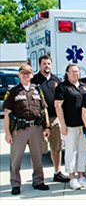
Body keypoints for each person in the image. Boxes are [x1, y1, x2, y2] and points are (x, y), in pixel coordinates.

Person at [4, 64, 51, 195]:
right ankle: (15, 183)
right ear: (19, 75)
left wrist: (47, 126)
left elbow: (44, 109)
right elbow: (7, 113)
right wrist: (8, 133)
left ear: (31, 75)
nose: (26, 76)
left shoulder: (37, 90)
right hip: (20, 129)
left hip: (36, 128)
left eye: (28, 73)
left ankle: (38, 181)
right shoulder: (13, 92)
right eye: (23, 73)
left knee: (37, 157)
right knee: (16, 158)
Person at [32, 55, 69, 182]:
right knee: (38, 149)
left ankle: (57, 172)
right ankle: (37, 176)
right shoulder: (34, 80)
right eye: (44, 64)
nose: (46, 66)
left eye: (48, 63)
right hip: (39, 120)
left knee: (56, 147)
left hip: (55, 118)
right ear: (39, 65)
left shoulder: (56, 80)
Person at [55, 63, 86, 190]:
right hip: (70, 125)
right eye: (73, 71)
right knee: (71, 151)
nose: (75, 74)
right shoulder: (62, 87)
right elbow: (58, 106)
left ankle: (81, 176)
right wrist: (62, 125)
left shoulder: (84, 87)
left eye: (77, 71)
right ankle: (72, 177)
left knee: (83, 151)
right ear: (67, 73)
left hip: (84, 126)